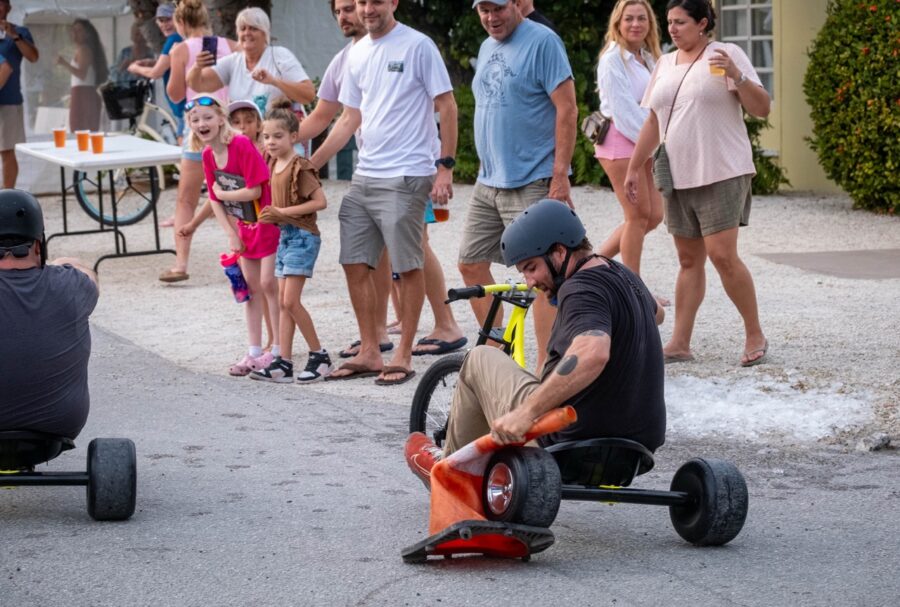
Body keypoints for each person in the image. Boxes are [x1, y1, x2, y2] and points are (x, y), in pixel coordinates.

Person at [405, 200, 666, 483]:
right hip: (634, 454)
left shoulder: (580, 289)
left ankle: (452, 473)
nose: (529, 282)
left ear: (559, 252)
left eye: (531, 267)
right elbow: (659, 314)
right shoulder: (624, 275)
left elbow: (593, 352)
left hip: (569, 445)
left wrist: (525, 414)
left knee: (479, 358)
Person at [297, 0, 465, 360]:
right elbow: (346, 118)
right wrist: (310, 164)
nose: (365, 9)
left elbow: (447, 106)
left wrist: (444, 167)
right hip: (366, 173)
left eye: (374, 1)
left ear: (393, 3)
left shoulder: (418, 45)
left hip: (407, 171)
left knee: (410, 258)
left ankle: (408, 348)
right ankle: (371, 348)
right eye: (359, 3)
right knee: (356, 259)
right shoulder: (354, 55)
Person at [624, 0, 770, 367]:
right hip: (679, 174)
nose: (672, 29)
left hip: (723, 170)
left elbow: (762, 108)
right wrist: (633, 167)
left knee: (722, 256)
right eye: (670, 22)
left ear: (702, 23)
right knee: (689, 260)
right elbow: (653, 123)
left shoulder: (726, 54)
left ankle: (755, 333)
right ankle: (679, 343)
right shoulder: (664, 63)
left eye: (681, 22)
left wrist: (737, 75)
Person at [458, 0, 576, 372]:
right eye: (483, 11)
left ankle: (546, 369)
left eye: (498, 9)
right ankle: (499, 351)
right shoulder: (486, 45)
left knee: (544, 276)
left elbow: (568, 108)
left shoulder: (543, 41)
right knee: (470, 262)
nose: (491, 18)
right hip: (488, 179)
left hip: (532, 178)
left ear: (515, 4)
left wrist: (560, 177)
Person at [188, 95, 281, 376]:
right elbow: (215, 201)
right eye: (195, 119)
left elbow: (255, 188)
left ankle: (277, 349)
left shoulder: (239, 144)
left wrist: (223, 193)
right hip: (243, 226)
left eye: (207, 117)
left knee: (268, 284)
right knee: (250, 290)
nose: (202, 123)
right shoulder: (207, 155)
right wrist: (230, 233)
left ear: (220, 118)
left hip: (266, 222)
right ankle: (254, 350)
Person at [0, 189, 98, 439]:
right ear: (37, 244)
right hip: (55, 428)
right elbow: (90, 276)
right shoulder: (72, 284)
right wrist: (58, 264)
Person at [250, 99, 332, 383]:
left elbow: (320, 202)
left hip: (302, 238)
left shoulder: (300, 166)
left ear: (294, 137)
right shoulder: (274, 163)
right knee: (285, 304)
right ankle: (283, 362)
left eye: (278, 136)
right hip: (285, 237)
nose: (270, 142)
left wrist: (282, 212)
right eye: (266, 136)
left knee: (290, 301)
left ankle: (319, 355)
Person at [158, 0, 236, 283]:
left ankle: (180, 264)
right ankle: (242, 255)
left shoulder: (180, 49)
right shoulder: (231, 45)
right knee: (238, 193)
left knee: (186, 198)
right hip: (227, 126)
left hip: (196, 130)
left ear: (180, 24)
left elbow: (176, 95)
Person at [594, 0, 664, 279]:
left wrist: (650, 141)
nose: (635, 24)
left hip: (642, 141)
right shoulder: (613, 60)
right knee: (637, 217)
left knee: (654, 215)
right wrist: (655, 142)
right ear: (618, 23)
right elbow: (624, 113)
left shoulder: (647, 57)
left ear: (650, 24)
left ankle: (593, 264)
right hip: (619, 141)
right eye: (629, 19)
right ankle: (634, 290)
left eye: (641, 19)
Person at [186, 7, 315, 127]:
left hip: (279, 139)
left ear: (265, 34)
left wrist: (274, 81)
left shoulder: (279, 55)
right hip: (245, 141)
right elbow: (198, 84)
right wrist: (197, 67)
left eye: (253, 28)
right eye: (243, 29)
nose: (247, 33)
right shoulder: (233, 61)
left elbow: (308, 94)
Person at [128, 4, 185, 137]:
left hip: (183, 105)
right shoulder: (182, 38)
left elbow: (156, 73)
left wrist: (135, 68)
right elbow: (172, 62)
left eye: (168, 19)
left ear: (178, 20)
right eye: (161, 20)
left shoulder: (173, 39)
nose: (164, 24)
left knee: (185, 151)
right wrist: (151, 62)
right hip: (185, 103)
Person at [0, 0, 38, 189]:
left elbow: (33, 57)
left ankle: (6, 197)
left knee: (6, 151)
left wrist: (13, 35)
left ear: (8, 7)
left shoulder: (20, 32)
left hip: (9, 102)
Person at [56, 19, 107, 133]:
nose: (75, 33)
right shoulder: (81, 49)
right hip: (81, 93)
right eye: (73, 30)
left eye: (79, 30)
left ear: (87, 33)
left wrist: (64, 63)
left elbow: (82, 74)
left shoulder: (84, 50)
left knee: (80, 130)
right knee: (79, 129)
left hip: (84, 94)